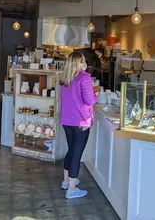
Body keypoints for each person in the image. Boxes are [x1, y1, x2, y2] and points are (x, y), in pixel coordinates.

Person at [59, 51, 100, 199]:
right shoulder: (85, 77)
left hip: (66, 120)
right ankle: (71, 189)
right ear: (79, 62)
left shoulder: (64, 78)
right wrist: (97, 95)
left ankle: (66, 181)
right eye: (83, 61)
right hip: (81, 121)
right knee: (77, 154)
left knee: (71, 151)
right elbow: (89, 100)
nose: (85, 64)